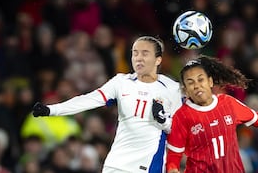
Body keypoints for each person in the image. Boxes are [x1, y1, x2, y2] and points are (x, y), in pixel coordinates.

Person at [32, 36, 183, 173]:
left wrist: (163, 120)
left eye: (144, 53)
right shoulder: (121, 82)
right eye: (135, 53)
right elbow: (89, 99)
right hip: (116, 164)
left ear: (158, 60)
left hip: (148, 165)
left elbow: (180, 131)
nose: (138, 58)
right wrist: (51, 109)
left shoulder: (172, 89)